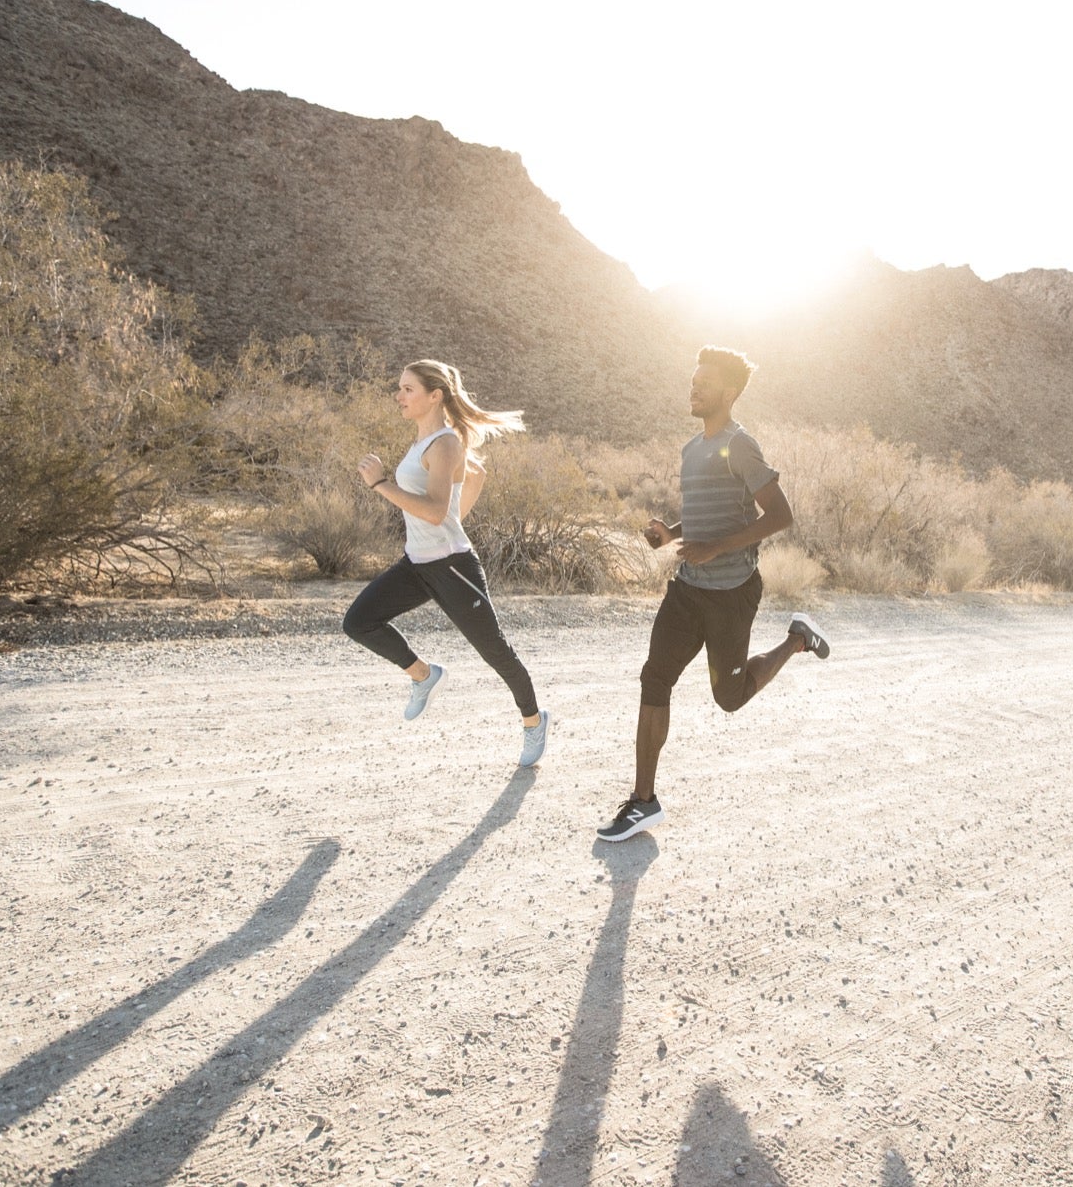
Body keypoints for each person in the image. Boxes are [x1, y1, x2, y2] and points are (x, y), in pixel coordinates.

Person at [596, 346, 831, 842]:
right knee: (655, 678)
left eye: (704, 382)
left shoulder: (740, 445)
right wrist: (672, 534)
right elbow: (705, 518)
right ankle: (643, 802)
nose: (694, 387)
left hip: (732, 593)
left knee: (729, 697)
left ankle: (796, 639)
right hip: (688, 590)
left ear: (728, 392)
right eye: (692, 379)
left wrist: (715, 549)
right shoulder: (691, 448)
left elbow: (780, 516)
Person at [344, 360, 550, 765]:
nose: (399, 396)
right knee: (358, 622)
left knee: (495, 651)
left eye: (408, 389)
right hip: (416, 565)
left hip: (452, 567)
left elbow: (436, 512)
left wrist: (380, 484)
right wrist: (452, 519)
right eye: (400, 388)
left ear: (434, 395)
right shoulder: (424, 442)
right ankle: (423, 675)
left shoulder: (446, 443)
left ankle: (533, 721)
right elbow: (475, 477)